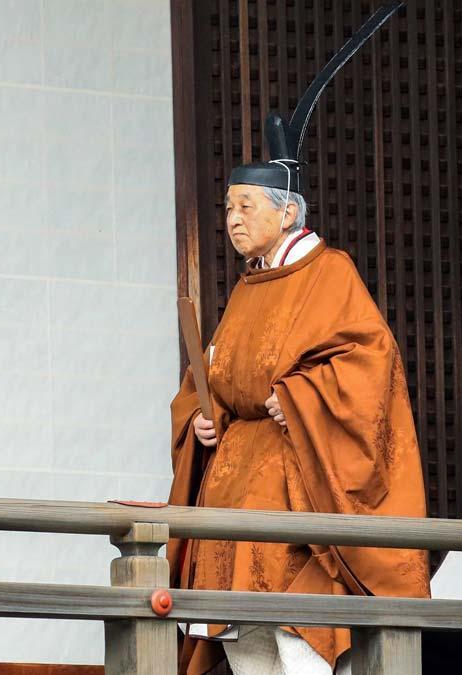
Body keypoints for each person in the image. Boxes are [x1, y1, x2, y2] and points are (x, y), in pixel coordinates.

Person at [167, 4, 428, 675]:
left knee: (295, 641)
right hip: (236, 492)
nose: (230, 220)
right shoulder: (251, 286)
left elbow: (370, 367)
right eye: (227, 207)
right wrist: (204, 414)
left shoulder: (329, 273)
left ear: (288, 212)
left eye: (243, 207)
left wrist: (303, 395)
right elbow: (219, 375)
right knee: (244, 646)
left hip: (295, 488)